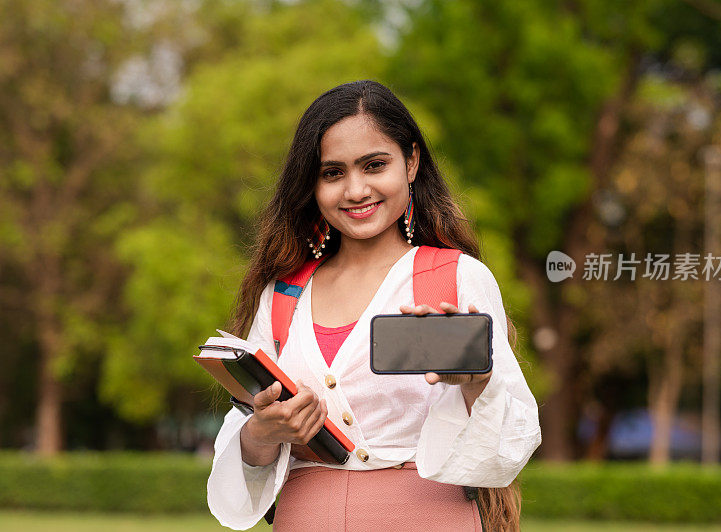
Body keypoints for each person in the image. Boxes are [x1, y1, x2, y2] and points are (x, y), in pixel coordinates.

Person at [207, 80, 541, 531]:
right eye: (333, 173)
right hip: (304, 517)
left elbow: (512, 437)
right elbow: (245, 455)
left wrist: (475, 379)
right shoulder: (282, 295)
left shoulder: (456, 278)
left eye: (374, 165)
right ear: (312, 183)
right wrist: (263, 434)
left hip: (426, 517)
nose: (356, 189)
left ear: (411, 162)